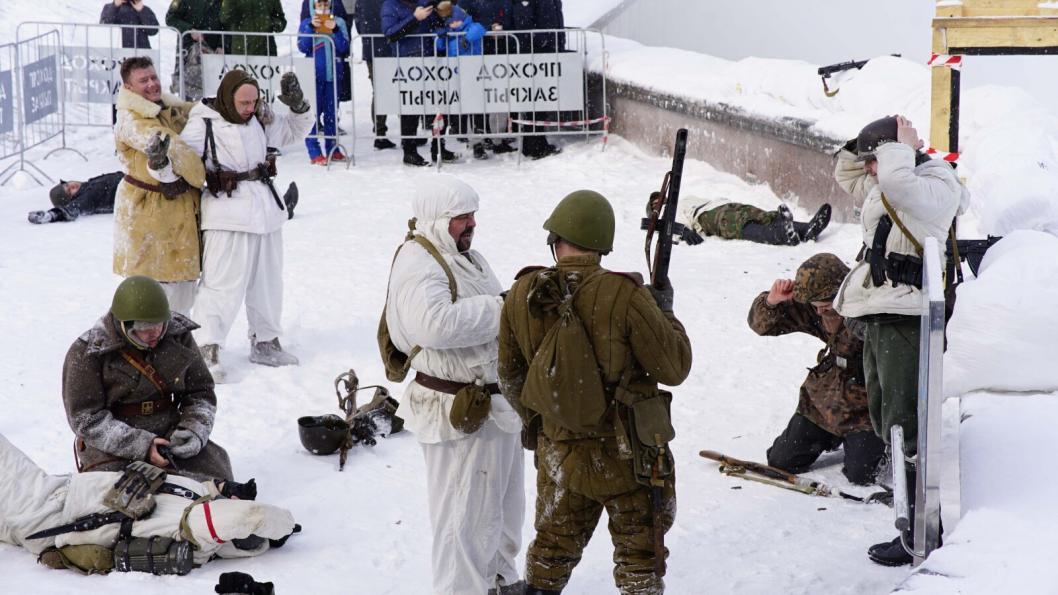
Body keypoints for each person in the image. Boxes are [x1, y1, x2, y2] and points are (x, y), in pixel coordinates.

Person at [499, 190, 693, 594]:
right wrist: (665, 311)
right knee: (639, 562)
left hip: (561, 455)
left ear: (555, 240)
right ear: (603, 244)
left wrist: (551, 422)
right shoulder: (627, 295)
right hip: (631, 460)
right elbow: (674, 367)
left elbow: (510, 376)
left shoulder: (521, 294)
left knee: (550, 553)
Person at [832, 115, 968, 566]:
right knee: (885, 417)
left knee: (906, 426)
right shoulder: (891, 176)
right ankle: (912, 525)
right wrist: (871, 140)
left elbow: (894, 180)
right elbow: (845, 171)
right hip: (883, 311)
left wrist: (898, 147)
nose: (870, 169)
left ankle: (923, 533)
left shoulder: (933, 182)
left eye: (877, 158)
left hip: (909, 317)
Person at [384, 175, 525, 594]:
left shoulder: (469, 257)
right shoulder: (419, 262)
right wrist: (502, 306)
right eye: (461, 217)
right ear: (436, 219)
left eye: (473, 215)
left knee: (503, 511)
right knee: (463, 520)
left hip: (495, 408)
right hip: (456, 413)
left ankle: (500, 580)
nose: (471, 224)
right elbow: (434, 326)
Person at [0, 432, 298, 574]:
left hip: (48, 511)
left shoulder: (198, 532)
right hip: (62, 497)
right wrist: (218, 486)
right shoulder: (194, 509)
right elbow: (177, 494)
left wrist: (281, 525)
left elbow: (251, 515)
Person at [180, 69, 315, 379]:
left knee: (268, 283)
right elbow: (182, 162)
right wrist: (160, 163)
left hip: (265, 211)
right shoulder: (204, 122)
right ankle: (206, 347)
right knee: (221, 285)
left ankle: (265, 341)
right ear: (228, 96)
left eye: (254, 101)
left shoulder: (259, 118)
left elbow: (294, 133)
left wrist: (298, 106)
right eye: (244, 102)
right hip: (226, 213)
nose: (249, 108)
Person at [63, 276, 233, 484]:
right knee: (116, 498)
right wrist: (141, 445)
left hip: (169, 432)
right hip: (113, 442)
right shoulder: (87, 352)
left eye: (159, 325)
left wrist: (193, 429)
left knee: (218, 483)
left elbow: (201, 392)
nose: (154, 334)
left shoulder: (177, 336)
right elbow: (85, 418)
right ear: (124, 325)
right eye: (143, 329)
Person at [748, 253, 885, 485]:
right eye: (815, 307)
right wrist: (771, 301)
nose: (820, 313)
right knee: (781, 460)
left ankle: (882, 445)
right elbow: (761, 325)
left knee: (860, 475)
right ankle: (830, 437)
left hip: (867, 409)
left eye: (826, 307)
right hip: (824, 402)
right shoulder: (816, 307)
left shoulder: (872, 307)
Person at [113, 56, 205, 317]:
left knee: (183, 289)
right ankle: (151, 351)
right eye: (143, 80)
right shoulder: (132, 119)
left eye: (154, 77)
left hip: (179, 213)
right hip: (148, 216)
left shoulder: (166, 107)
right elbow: (178, 152)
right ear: (129, 88)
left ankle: (177, 345)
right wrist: (203, 172)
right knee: (154, 290)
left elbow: (197, 113)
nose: (152, 84)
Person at [382, 0, 459, 166]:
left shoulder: (423, 1)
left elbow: (436, 24)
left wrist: (441, 21)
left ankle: (438, 147)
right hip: (408, 63)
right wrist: (414, 18)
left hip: (432, 60)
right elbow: (389, 33)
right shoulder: (390, 5)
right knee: (411, 108)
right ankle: (409, 152)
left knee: (440, 104)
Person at [507, 0, 564, 159]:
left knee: (540, 100)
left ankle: (535, 142)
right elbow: (523, 22)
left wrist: (558, 43)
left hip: (545, 51)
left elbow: (556, 20)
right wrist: (544, 40)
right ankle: (534, 145)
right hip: (534, 53)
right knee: (534, 101)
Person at [433, 2, 490, 160]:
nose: (452, 24)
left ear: (461, 18)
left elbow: (479, 29)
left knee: (476, 109)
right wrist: (441, 36)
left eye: (454, 21)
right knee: (460, 108)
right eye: (449, 22)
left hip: (473, 75)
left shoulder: (471, 26)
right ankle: (462, 132)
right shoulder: (450, 34)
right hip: (456, 76)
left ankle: (478, 142)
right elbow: (439, 46)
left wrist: (466, 37)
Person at [298, 0, 351, 165]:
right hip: (313, 76)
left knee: (331, 114)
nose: (323, 9)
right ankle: (314, 152)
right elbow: (302, 46)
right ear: (314, 7)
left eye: (326, 5)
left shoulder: (339, 22)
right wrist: (311, 28)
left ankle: (333, 149)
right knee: (313, 114)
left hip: (333, 75)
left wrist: (335, 29)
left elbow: (344, 47)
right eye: (319, 6)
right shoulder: (307, 23)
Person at [681, 197, 832, 246]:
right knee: (746, 228)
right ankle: (784, 235)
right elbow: (675, 227)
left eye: (656, 200)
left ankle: (807, 229)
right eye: (655, 203)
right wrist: (683, 231)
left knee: (768, 217)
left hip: (728, 205)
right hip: (710, 217)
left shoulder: (683, 198)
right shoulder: (670, 211)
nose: (656, 204)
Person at [354, 0, 397, 150]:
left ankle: (380, 132)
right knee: (398, 88)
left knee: (379, 91)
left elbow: (358, 23)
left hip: (372, 47)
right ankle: (404, 131)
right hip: (391, 46)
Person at [166, 0, 226, 101]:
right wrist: (190, 30)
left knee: (213, 92)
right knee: (187, 92)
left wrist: (222, 44)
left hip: (213, 51)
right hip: (188, 50)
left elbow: (226, 23)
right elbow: (171, 19)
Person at [28, 172, 122, 224]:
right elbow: (72, 209)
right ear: (71, 200)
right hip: (133, 191)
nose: (72, 186)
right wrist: (51, 215)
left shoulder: (90, 182)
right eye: (69, 192)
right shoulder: (87, 197)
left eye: (67, 185)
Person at [220, 0, 287, 56]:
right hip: (241, 52)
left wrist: (270, 22)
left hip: (267, 51)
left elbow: (281, 21)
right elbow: (224, 18)